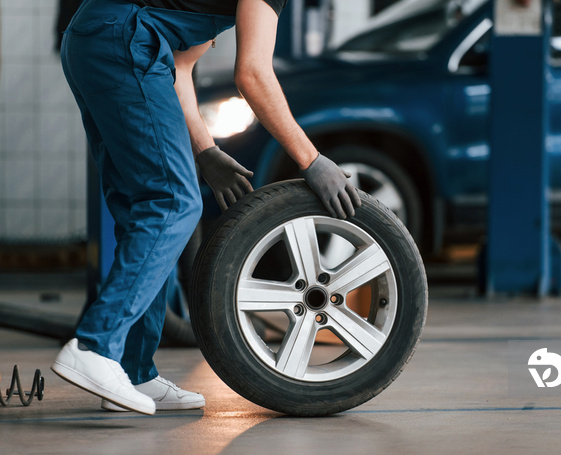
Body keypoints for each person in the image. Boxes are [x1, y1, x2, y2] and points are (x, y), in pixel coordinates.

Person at [51, 0, 361, 415]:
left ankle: (133, 369)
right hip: (121, 42)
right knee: (173, 203)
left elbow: (179, 66)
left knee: (142, 208)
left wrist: (205, 150)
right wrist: (311, 159)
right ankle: (95, 345)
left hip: (94, 39)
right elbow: (252, 74)